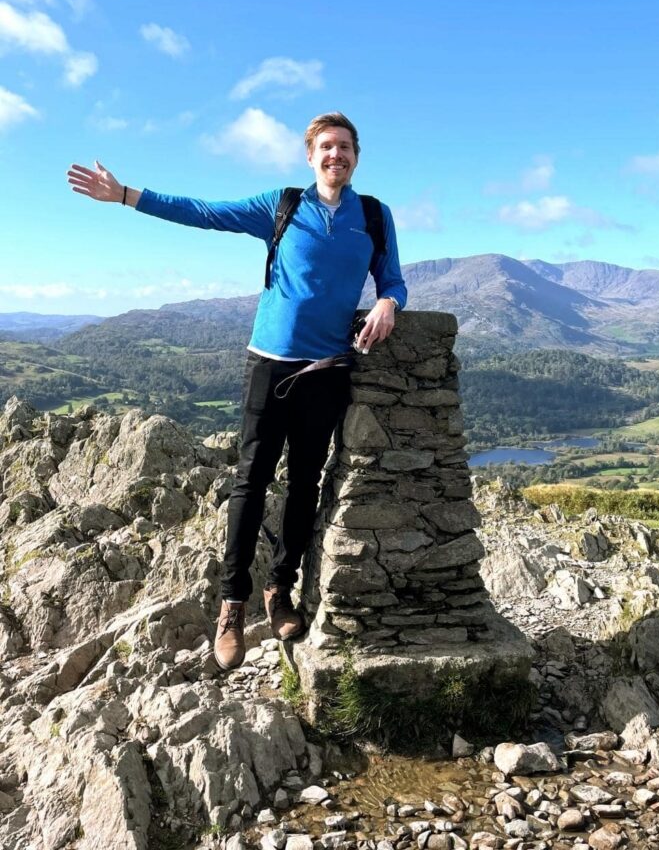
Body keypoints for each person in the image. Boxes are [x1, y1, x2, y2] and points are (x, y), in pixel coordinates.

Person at [68, 110, 407, 669]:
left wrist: (391, 302)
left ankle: (280, 590)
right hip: (268, 367)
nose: (335, 156)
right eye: (326, 147)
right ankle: (231, 605)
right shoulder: (283, 205)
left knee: (303, 484)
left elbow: (390, 276)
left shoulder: (372, 215)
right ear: (310, 155)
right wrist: (126, 194)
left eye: (344, 147)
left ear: (356, 156)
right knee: (250, 482)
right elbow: (203, 212)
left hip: (326, 370)